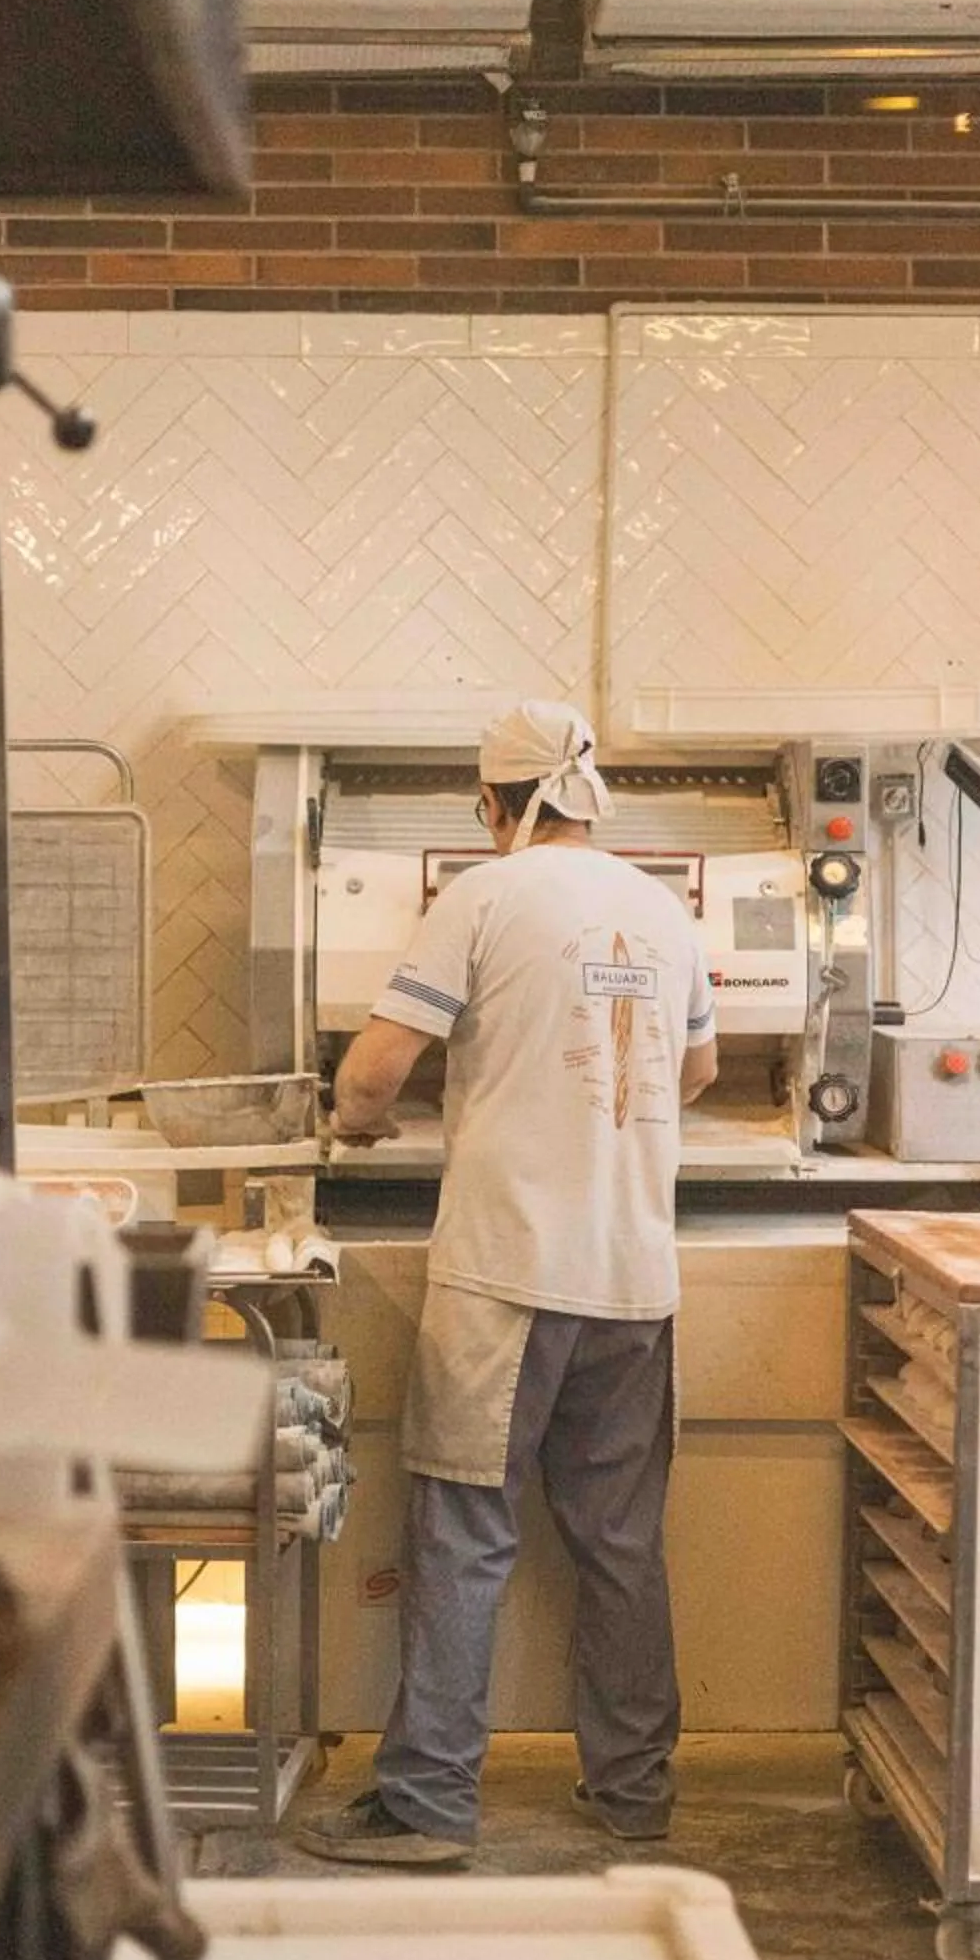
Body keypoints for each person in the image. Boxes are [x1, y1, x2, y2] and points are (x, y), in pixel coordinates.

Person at [298, 700, 718, 1870]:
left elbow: (378, 1069)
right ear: (585, 798)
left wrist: (354, 1121)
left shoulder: (480, 897)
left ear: (496, 806)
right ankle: (633, 1791)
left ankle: (428, 1805)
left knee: (464, 1533)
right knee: (620, 1542)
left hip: (506, 1277)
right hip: (635, 1277)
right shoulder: (662, 908)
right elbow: (698, 1066)